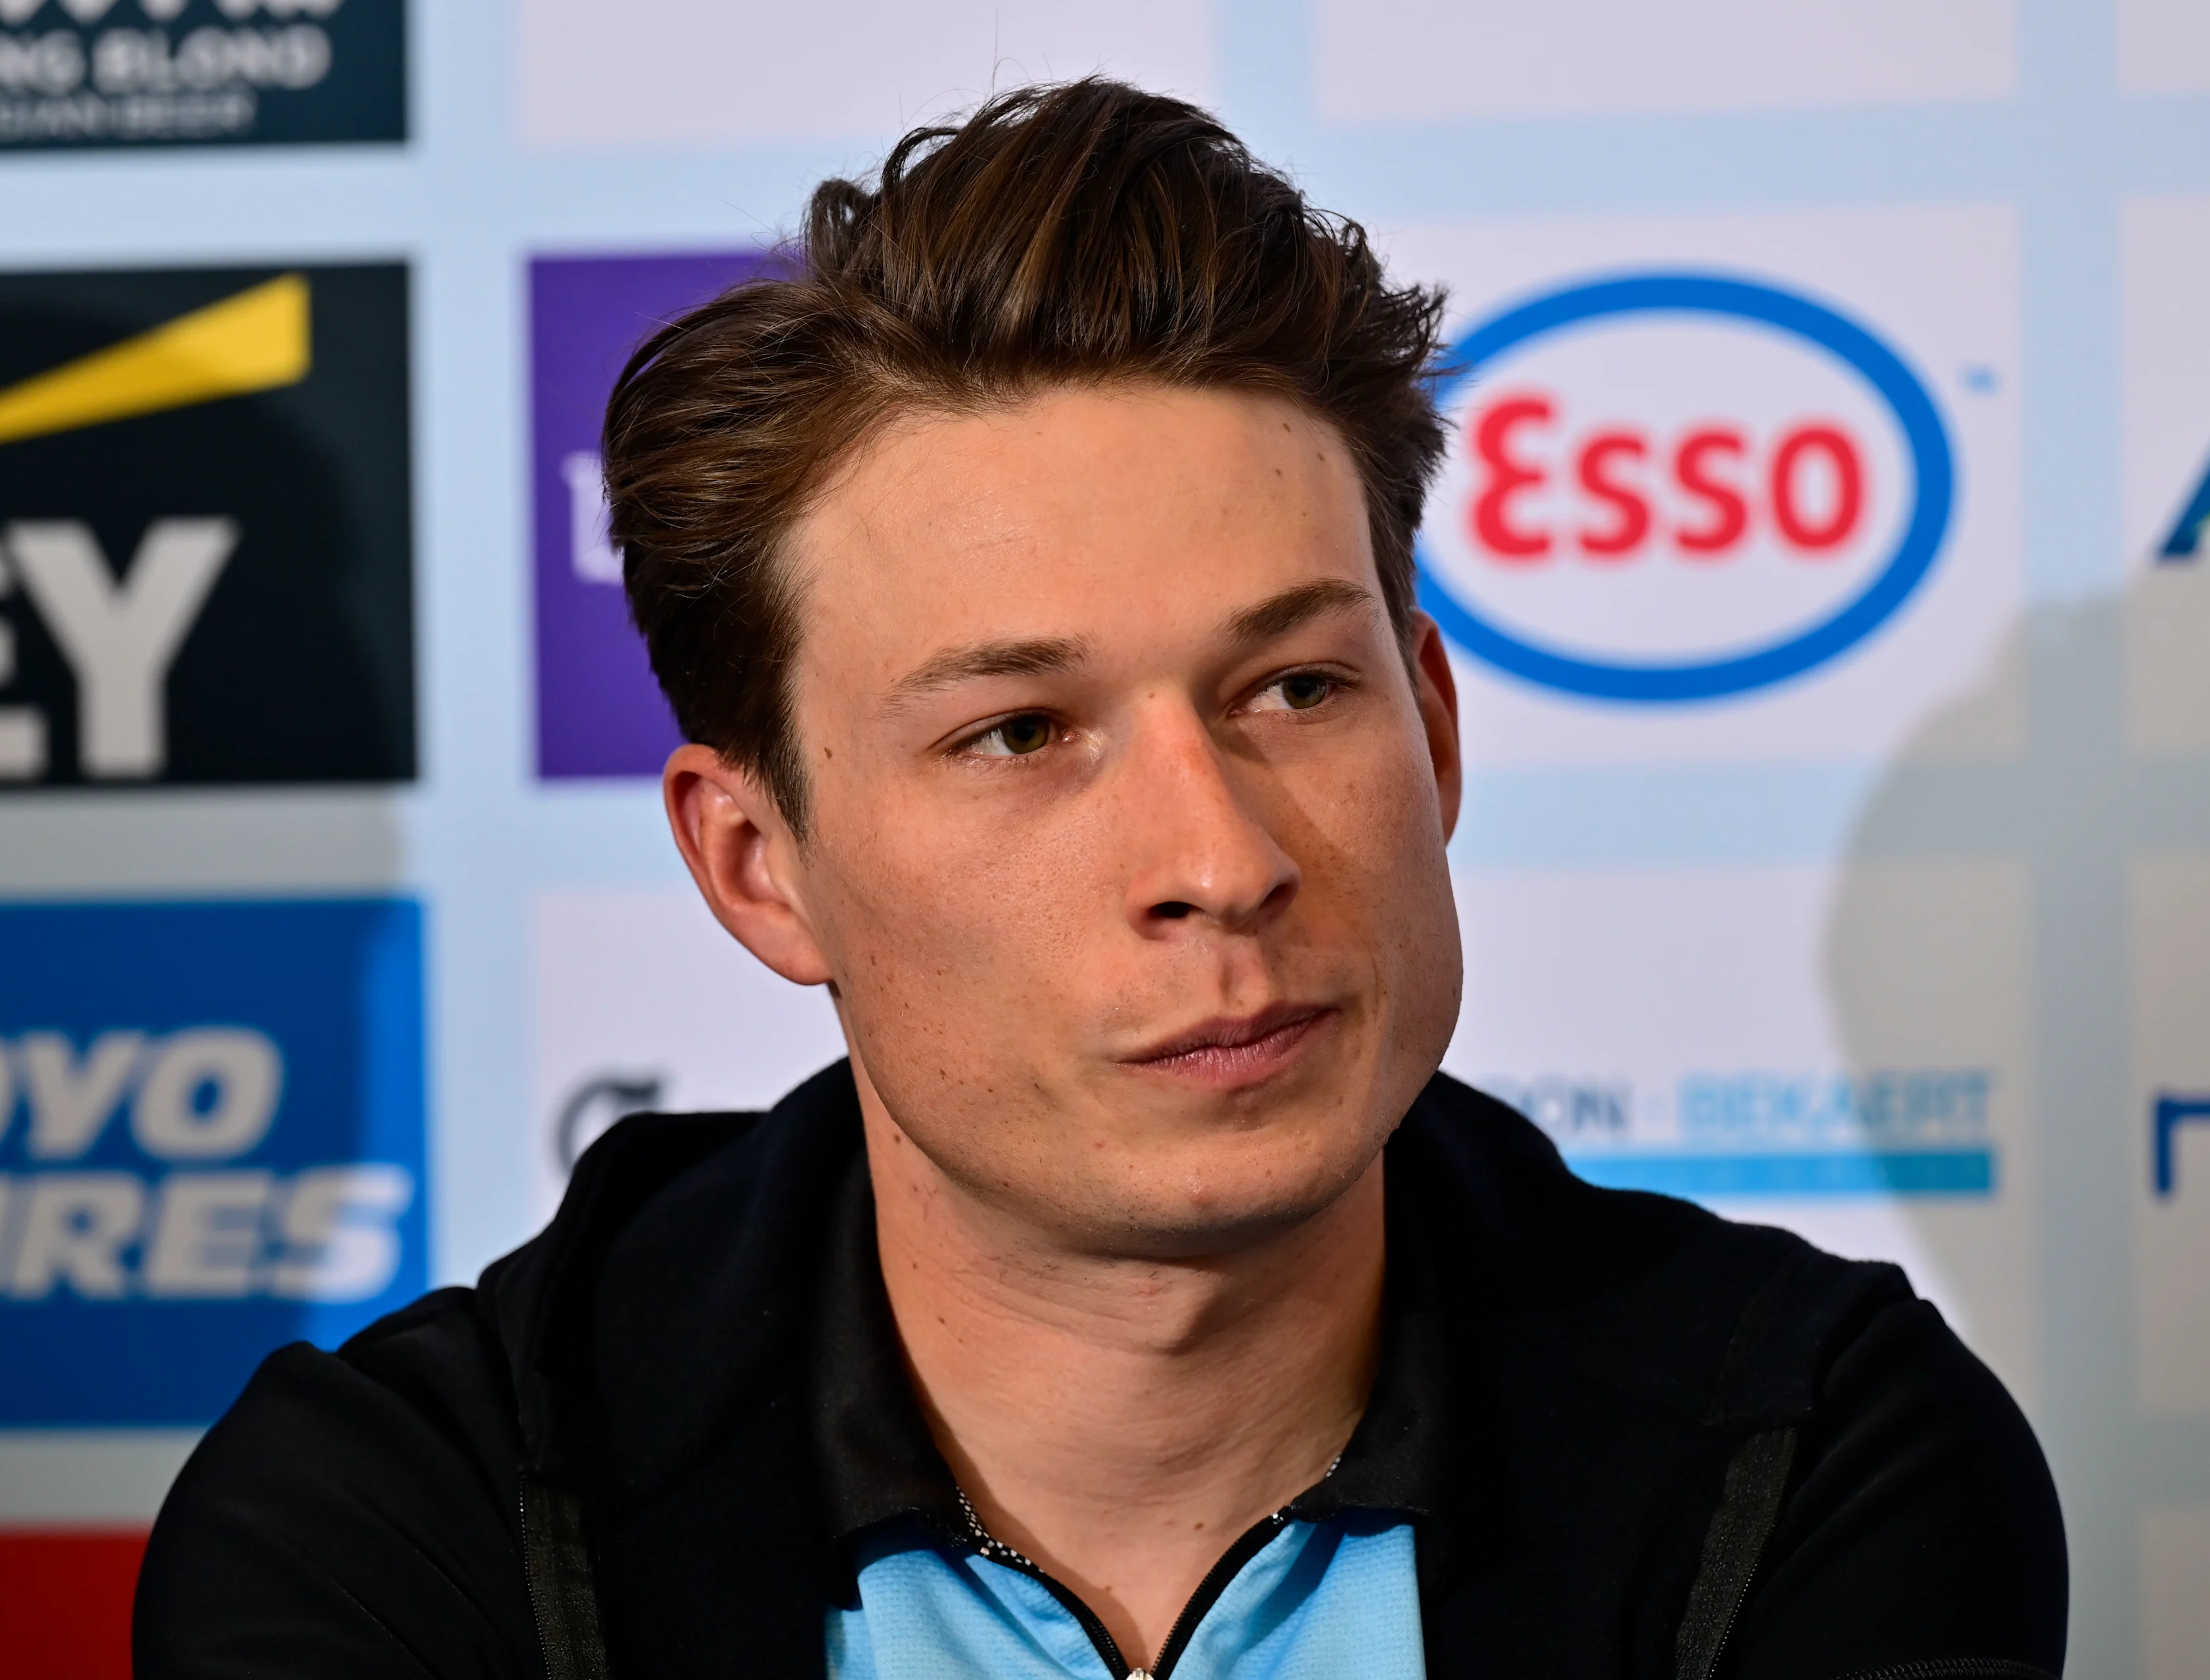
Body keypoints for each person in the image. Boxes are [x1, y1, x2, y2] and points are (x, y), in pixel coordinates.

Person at [134, 79, 2066, 1680]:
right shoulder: (397, 1533)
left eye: (1300, 688)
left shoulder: (1818, 1458)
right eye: (1022, 733)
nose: (1221, 860)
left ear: (1440, 730)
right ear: (757, 862)